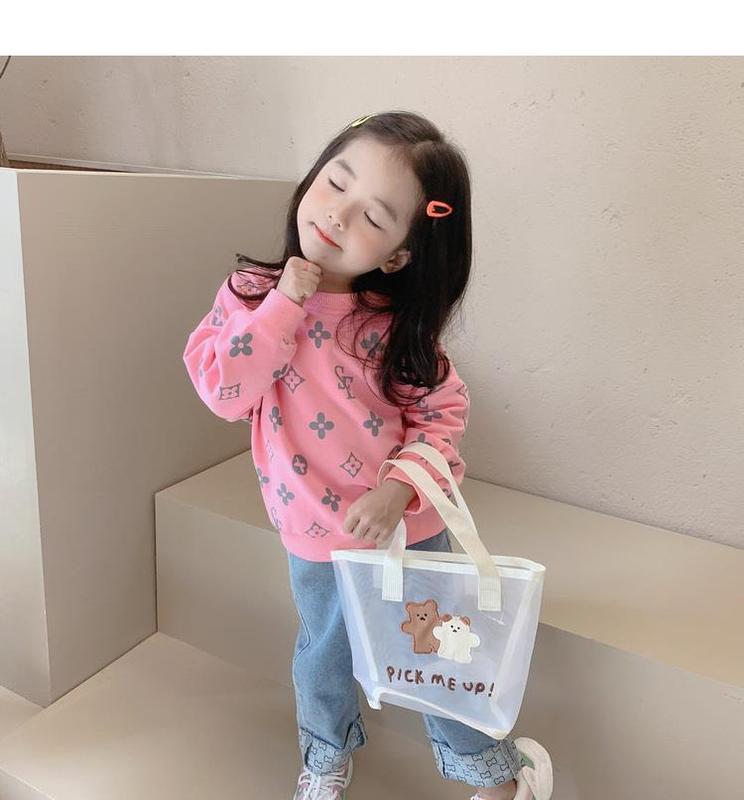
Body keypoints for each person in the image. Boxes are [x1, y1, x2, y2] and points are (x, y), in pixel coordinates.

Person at [183, 111, 553, 800]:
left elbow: (440, 416)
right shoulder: (249, 297)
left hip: (407, 530)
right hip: (313, 533)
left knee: (439, 654)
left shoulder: (391, 326)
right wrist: (284, 303)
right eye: (335, 182)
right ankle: (325, 760)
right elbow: (224, 392)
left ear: (398, 256)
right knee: (323, 658)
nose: (337, 214)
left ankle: (496, 777)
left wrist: (395, 492)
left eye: (373, 216)